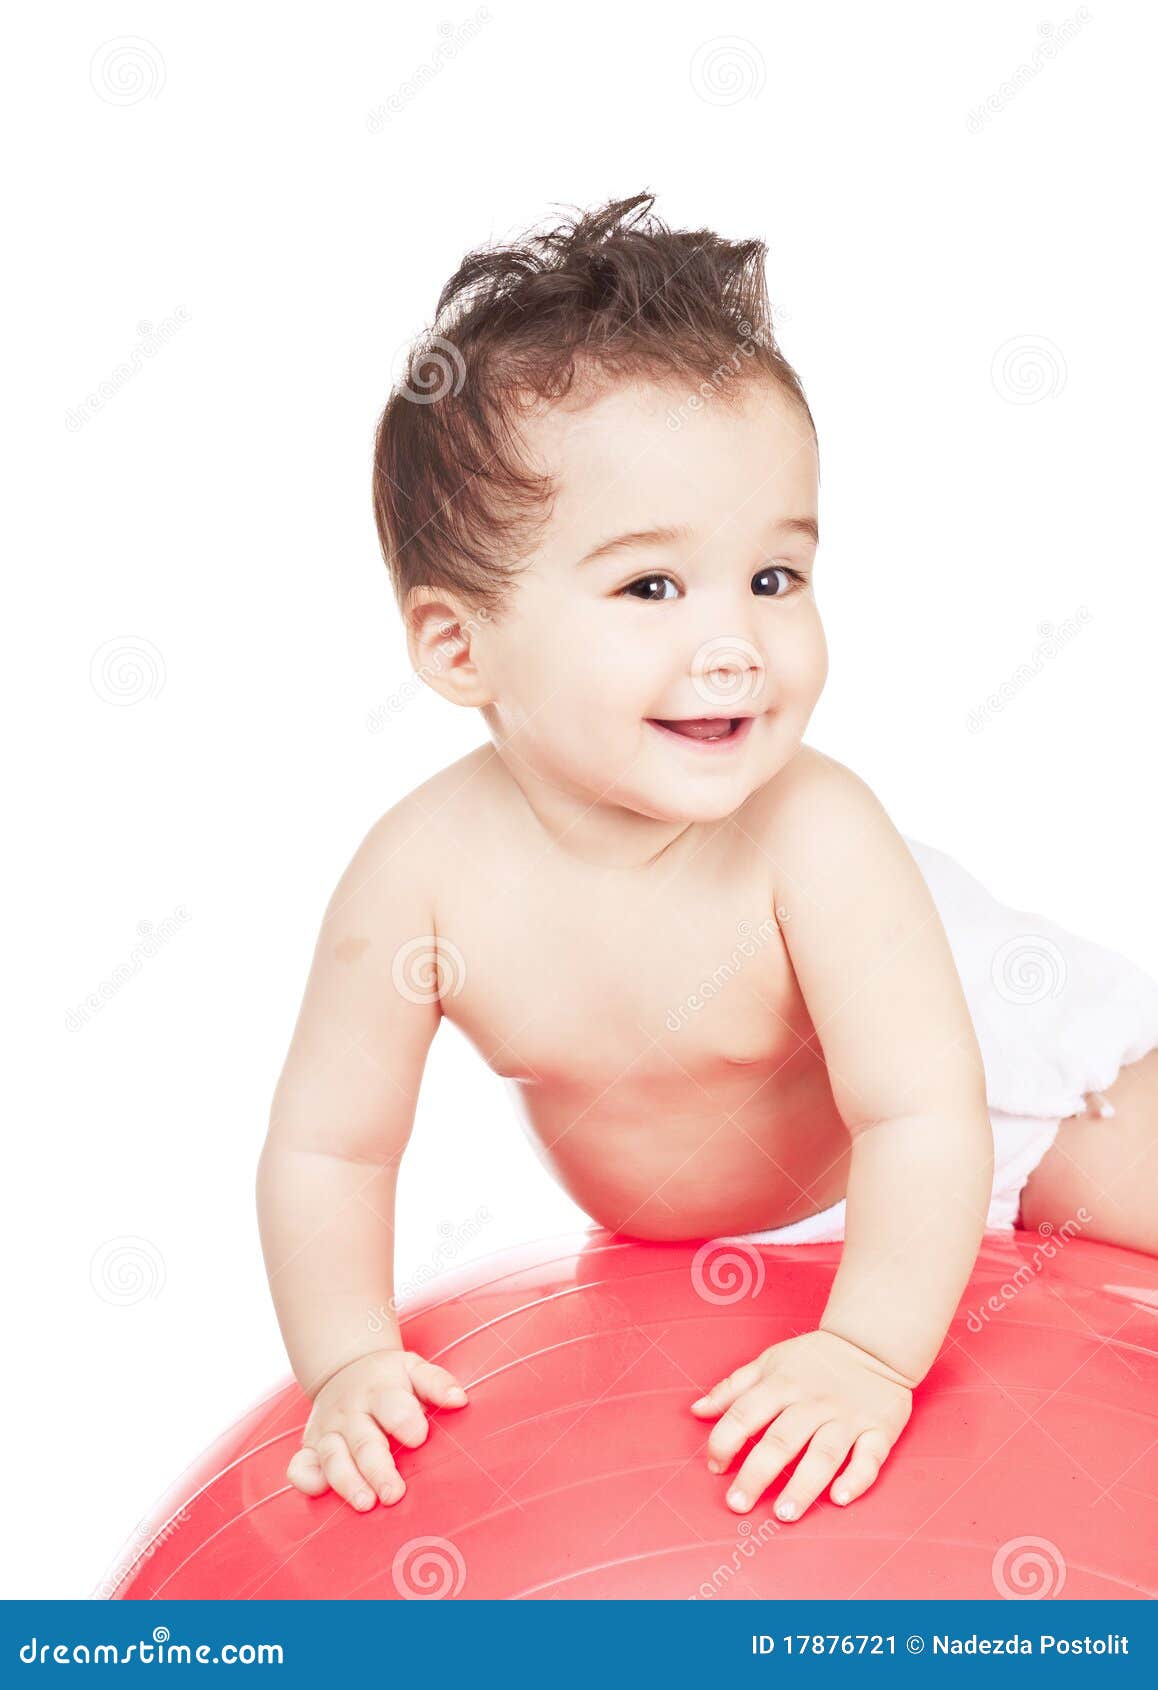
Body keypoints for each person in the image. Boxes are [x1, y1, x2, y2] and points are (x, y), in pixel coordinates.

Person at [257, 191, 1158, 1526]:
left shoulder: (813, 830)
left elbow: (921, 1114)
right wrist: (343, 1358)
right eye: (649, 588)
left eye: (773, 577)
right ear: (459, 649)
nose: (735, 641)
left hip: (988, 1095)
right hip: (742, 1227)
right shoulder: (420, 878)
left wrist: (867, 1351)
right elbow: (329, 1148)